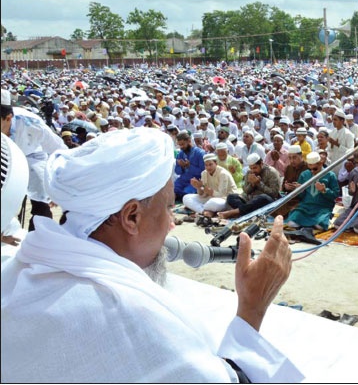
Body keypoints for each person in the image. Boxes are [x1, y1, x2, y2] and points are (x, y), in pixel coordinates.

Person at [0, 128, 303, 382]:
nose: (172, 223)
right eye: (169, 207)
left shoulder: (18, 269)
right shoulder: (130, 315)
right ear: (131, 217)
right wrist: (253, 308)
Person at [1, 90, 67, 231]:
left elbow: (59, 151)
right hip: (4, 159)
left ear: (8, 118)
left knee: (41, 205)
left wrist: (56, 187)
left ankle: (37, 241)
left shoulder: (32, 125)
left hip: (31, 157)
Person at [285, 152, 340, 231]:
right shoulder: (304, 175)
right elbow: (301, 197)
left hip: (322, 208)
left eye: (315, 169)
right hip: (306, 207)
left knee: (320, 225)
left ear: (320, 164)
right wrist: (299, 190)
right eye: (310, 169)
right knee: (291, 223)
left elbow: (335, 194)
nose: (312, 171)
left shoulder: (330, 175)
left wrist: (324, 191)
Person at [218, 153, 281, 220]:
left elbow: (274, 194)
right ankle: (246, 212)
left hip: (266, 202)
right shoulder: (249, 172)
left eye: (255, 168)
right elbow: (246, 191)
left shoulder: (272, 172)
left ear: (261, 164)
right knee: (231, 197)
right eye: (251, 168)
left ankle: (233, 213)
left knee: (263, 197)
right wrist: (252, 184)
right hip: (250, 201)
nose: (253, 170)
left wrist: (259, 184)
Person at [183, 154, 238, 219]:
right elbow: (202, 194)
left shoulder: (223, 174)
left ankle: (199, 209)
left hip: (224, 200)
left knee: (213, 203)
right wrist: (198, 187)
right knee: (186, 198)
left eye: (210, 164)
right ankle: (204, 212)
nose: (208, 167)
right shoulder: (204, 173)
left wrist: (203, 187)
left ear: (216, 163)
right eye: (206, 165)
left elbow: (222, 194)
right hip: (209, 198)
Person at [271, 145, 308, 218]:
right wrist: (286, 186)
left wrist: (301, 188)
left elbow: (312, 187)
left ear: (301, 156)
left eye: (294, 157)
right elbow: (284, 186)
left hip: (303, 199)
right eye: (290, 158)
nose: (292, 161)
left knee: (295, 213)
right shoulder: (289, 168)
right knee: (273, 210)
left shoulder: (308, 168)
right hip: (290, 198)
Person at [174, 131, 206, 202]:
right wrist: (182, 166)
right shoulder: (180, 154)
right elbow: (177, 171)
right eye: (179, 145)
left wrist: (189, 166)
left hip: (195, 181)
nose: (181, 147)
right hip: (183, 180)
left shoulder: (200, 153)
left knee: (186, 194)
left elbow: (203, 172)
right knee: (172, 191)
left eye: (183, 144)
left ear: (189, 141)